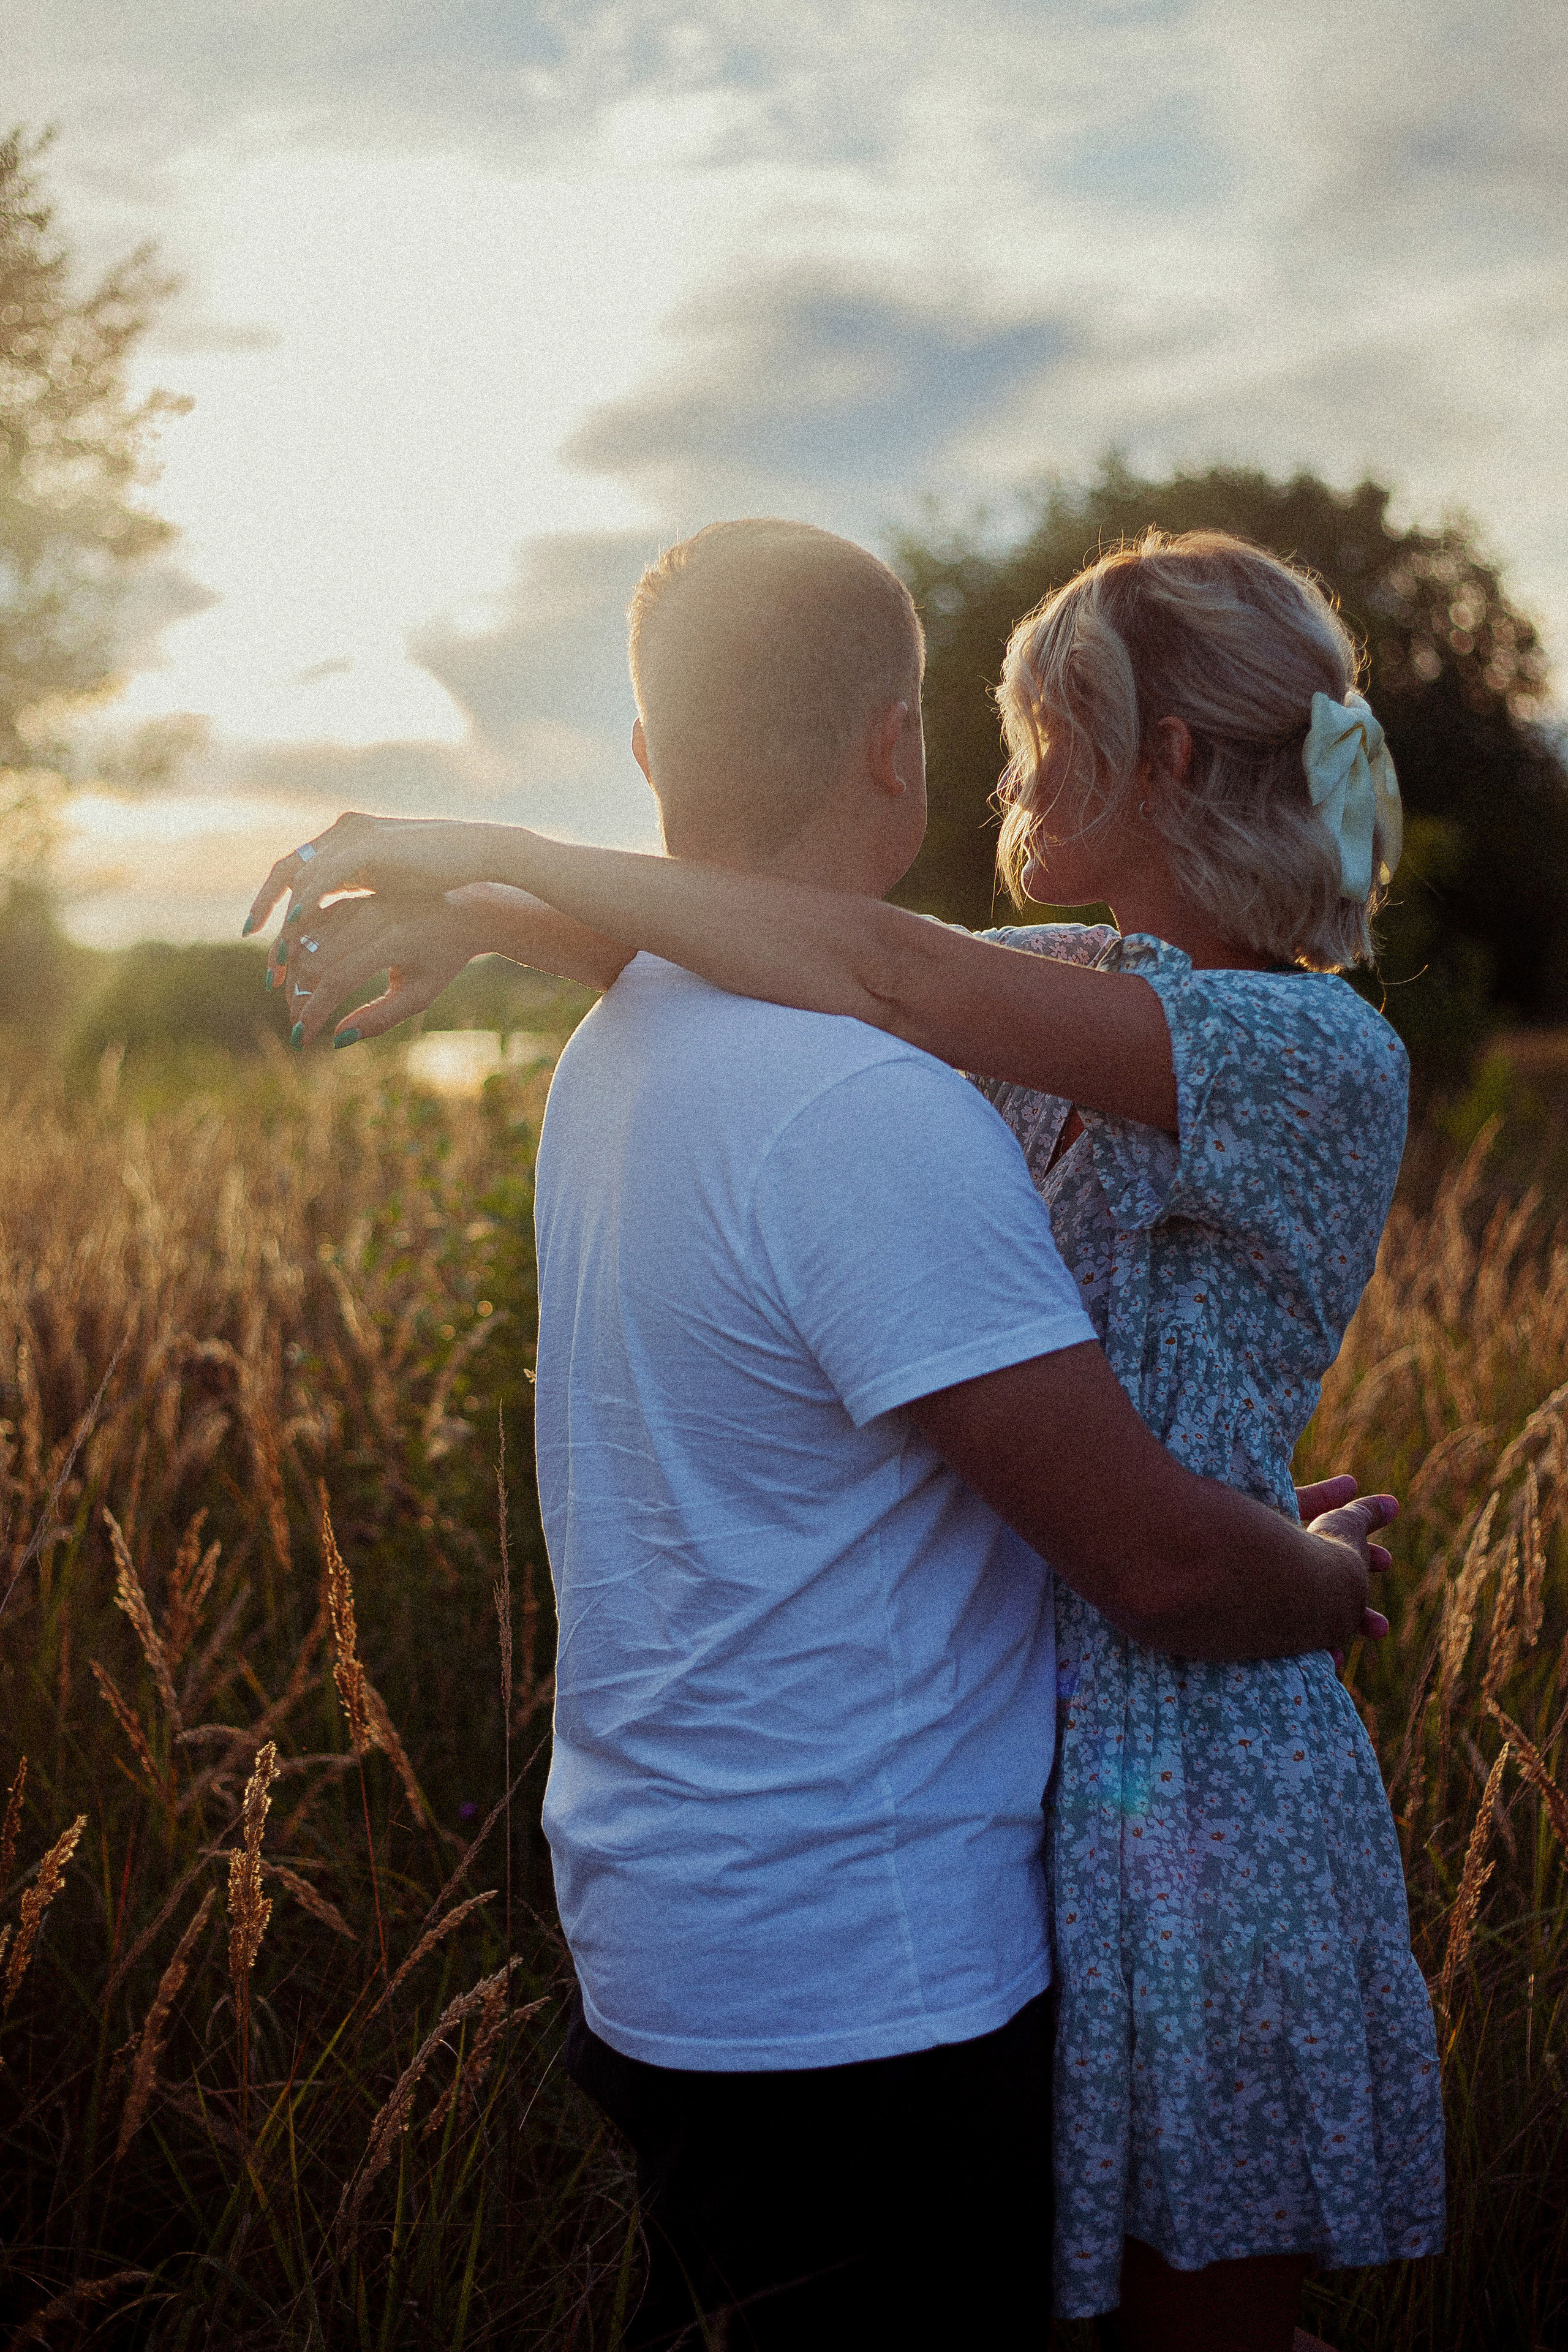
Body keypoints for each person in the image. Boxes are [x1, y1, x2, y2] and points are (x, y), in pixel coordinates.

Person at [246, 519, 1411, 2352]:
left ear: (1169, 759)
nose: (1002, 766)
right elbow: (809, 954)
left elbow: (879, 976)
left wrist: (491, 857)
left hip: (1193, 1763)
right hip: (1045, 1771)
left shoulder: (1303, 1049)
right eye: (987, 726)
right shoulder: (1082, 981)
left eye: (1047, 728)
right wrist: (491, 926)